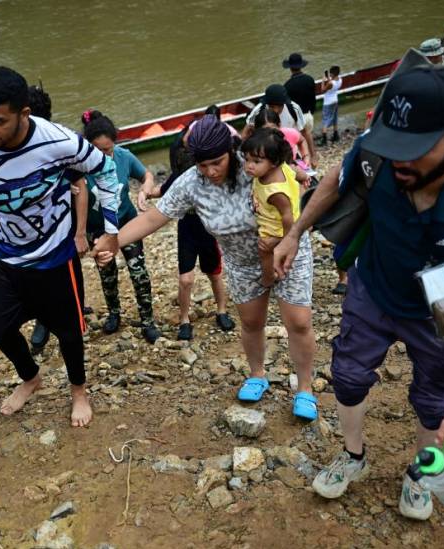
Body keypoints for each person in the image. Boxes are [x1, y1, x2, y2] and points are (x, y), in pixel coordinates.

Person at [273, 65, 444, 519]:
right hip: (374, 286)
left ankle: (421, 472)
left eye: (413, 152)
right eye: (390, 147)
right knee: (349, 374)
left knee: (436, 396)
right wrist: (295, 232)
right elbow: (339, 176)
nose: (398, 162)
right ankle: (353, 456)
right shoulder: (377, 153)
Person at [0, 66, 122, 427]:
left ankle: (79, 390)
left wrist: (110, 232)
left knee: (69, 333)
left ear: (23, 114)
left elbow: (106, 171)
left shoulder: (59, 141)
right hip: (2, 254)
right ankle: (31, 378)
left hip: (55, 258)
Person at [96, 115, 319, 420]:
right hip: (241, 263)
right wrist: (113, 241)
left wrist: (292, 228)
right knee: (252, 323)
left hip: (286, 251)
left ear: (231, 151)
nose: (211, 171)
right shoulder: (191, 183)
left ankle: (305, 388)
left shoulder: (253, 164)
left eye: (217, 162)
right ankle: (257, 374)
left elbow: (292, 180)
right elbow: (153, 218)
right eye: (203, 165)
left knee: (299, 322)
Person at [138, 125, 236, 340]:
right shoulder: (180, 179)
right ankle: (184, 320)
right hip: (187, 229)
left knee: (215, 274)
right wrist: (144, 193)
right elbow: (159, 191)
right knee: (185, 279)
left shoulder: (208, 176)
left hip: (208, 230)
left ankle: (222, 310)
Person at [81, 110, 160, 343]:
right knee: (107, 274)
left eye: (108, 150)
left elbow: (146, 175)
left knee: (139, 272)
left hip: (127, 222)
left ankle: (147, 320)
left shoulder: (124, 157)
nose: (104, 155)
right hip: (97, 229)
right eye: (98, 150)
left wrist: (145, 190)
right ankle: (114, 313)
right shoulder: (80, 166)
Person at [25, 84, 93, 355]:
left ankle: (70, 322)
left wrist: (80, 233)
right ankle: (45, 319)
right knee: (37, 276)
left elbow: (82, 186)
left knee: (67, 275)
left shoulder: (61, 142)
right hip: (31, 229)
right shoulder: (11, 145)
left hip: (62, 226)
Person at [242, 128, 302, 288]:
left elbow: (287, 216)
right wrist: (306, 177)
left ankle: (270, 277)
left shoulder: (275, 192)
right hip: (273, 218)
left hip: (278, 227)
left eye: (256, 161)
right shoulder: (281, 167)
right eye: (246, 159)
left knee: (264, 250)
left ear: (273, 162)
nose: (249, 166)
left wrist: (284, 240)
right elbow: (296, 172)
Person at [244, 84, 317, 167]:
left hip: (290, 152)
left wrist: (311, 156)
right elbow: (245, 134)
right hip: (266, 154)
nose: (276, 110)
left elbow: (305, 133)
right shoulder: (258, 110)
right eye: (271, 107)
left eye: (279, 106)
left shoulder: (294, 108)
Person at [252, 108, 311, 175]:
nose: (270, 133)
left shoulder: (289, 133)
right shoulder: (255, 146)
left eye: (272, 129)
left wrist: (306, 156)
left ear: (279, 125)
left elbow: (302, 140)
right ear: (257, 131)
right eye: (265, 131)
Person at [282, 53, 317, 136]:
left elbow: (288, 106)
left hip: (297, 120)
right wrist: (311, 113)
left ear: (290, 68)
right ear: (301, 66)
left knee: (300, 143)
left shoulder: (288, 85)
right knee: (308, 138)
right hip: (308, 116)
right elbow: (313, 99)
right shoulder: (310, 79)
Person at [319, 66, 342, 146]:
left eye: (330, 73)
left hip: (328, 102)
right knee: (334, 118)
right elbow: (331, 85)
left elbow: (323, 90)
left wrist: (322, 81)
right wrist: (329, 79)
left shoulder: (330, 83)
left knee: (326, 120)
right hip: (335, 100)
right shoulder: (340, 79)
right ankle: (336, 135)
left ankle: (324, 139)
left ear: (332, 73)